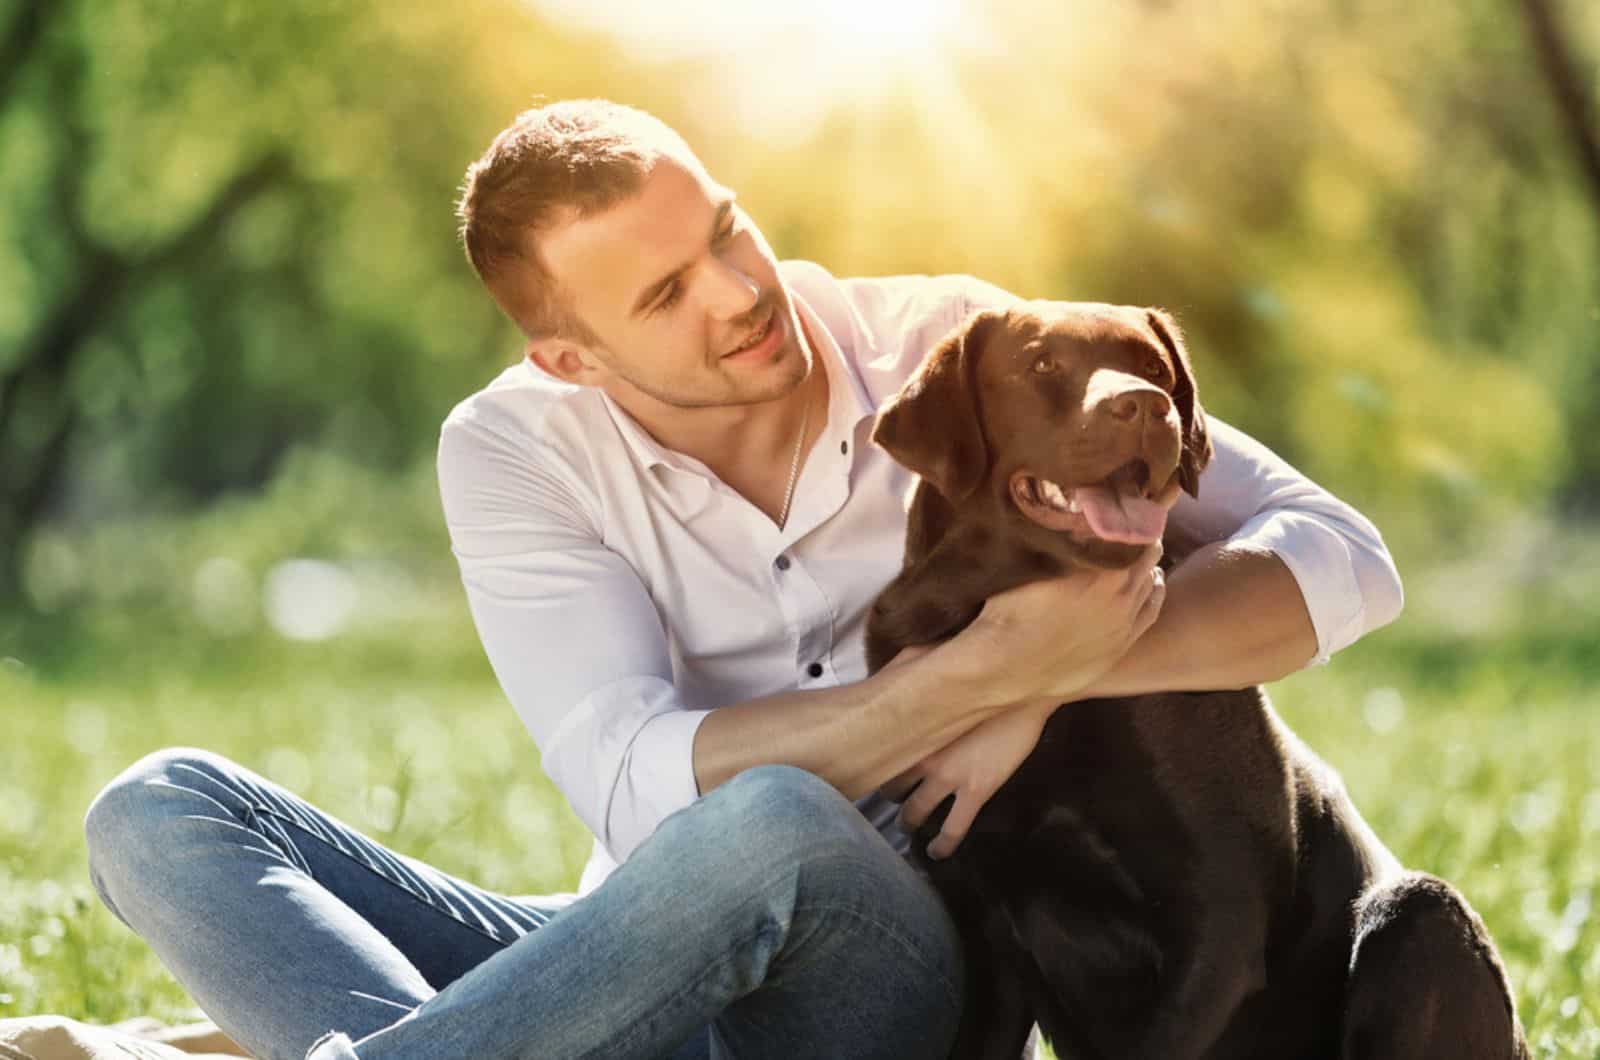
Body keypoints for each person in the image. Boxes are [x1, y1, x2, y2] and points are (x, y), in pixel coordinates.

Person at [82, 99, 1403, 1060]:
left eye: (725, 229)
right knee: (156, 810)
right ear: (573, 361)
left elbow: (1344, 559)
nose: (735, 291)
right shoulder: (512, 450)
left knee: (771, 818)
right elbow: (629, 776)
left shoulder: (955, 353)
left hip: (885, 972)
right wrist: (968, 682)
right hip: (633, 949)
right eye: (665, 294)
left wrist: (1075, 660)